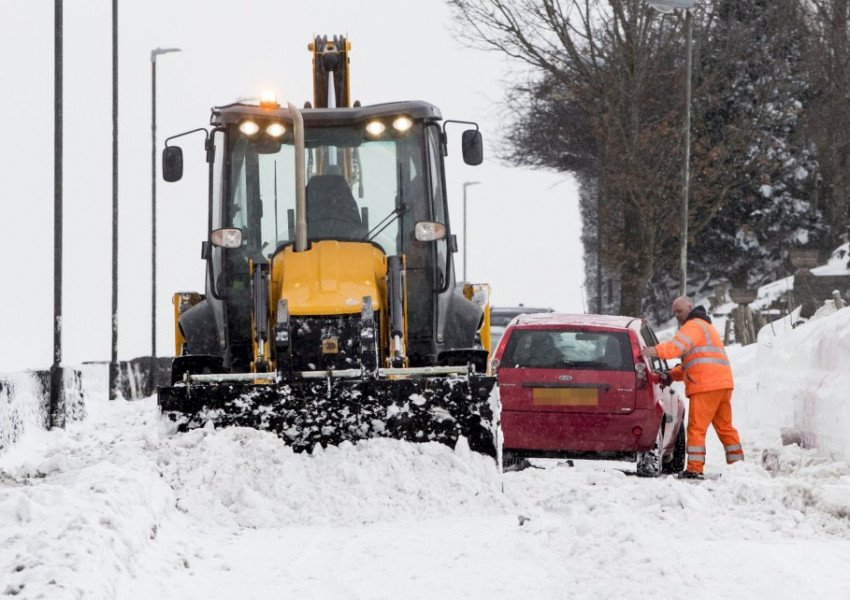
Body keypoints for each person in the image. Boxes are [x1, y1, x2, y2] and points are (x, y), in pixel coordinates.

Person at [642, 295, 744, 479]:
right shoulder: (705, 327)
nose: (676, 316)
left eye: (679, 311)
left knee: (696, 429)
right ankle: (738, 467)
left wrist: (654, 350)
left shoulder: (693, 326)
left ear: (690, 307)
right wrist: (673, 375)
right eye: (674, 313)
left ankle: (695, 469)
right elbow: (694, 364)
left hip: (706, 386)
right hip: (722, 384)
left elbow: (675, 347)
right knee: (725, 427)